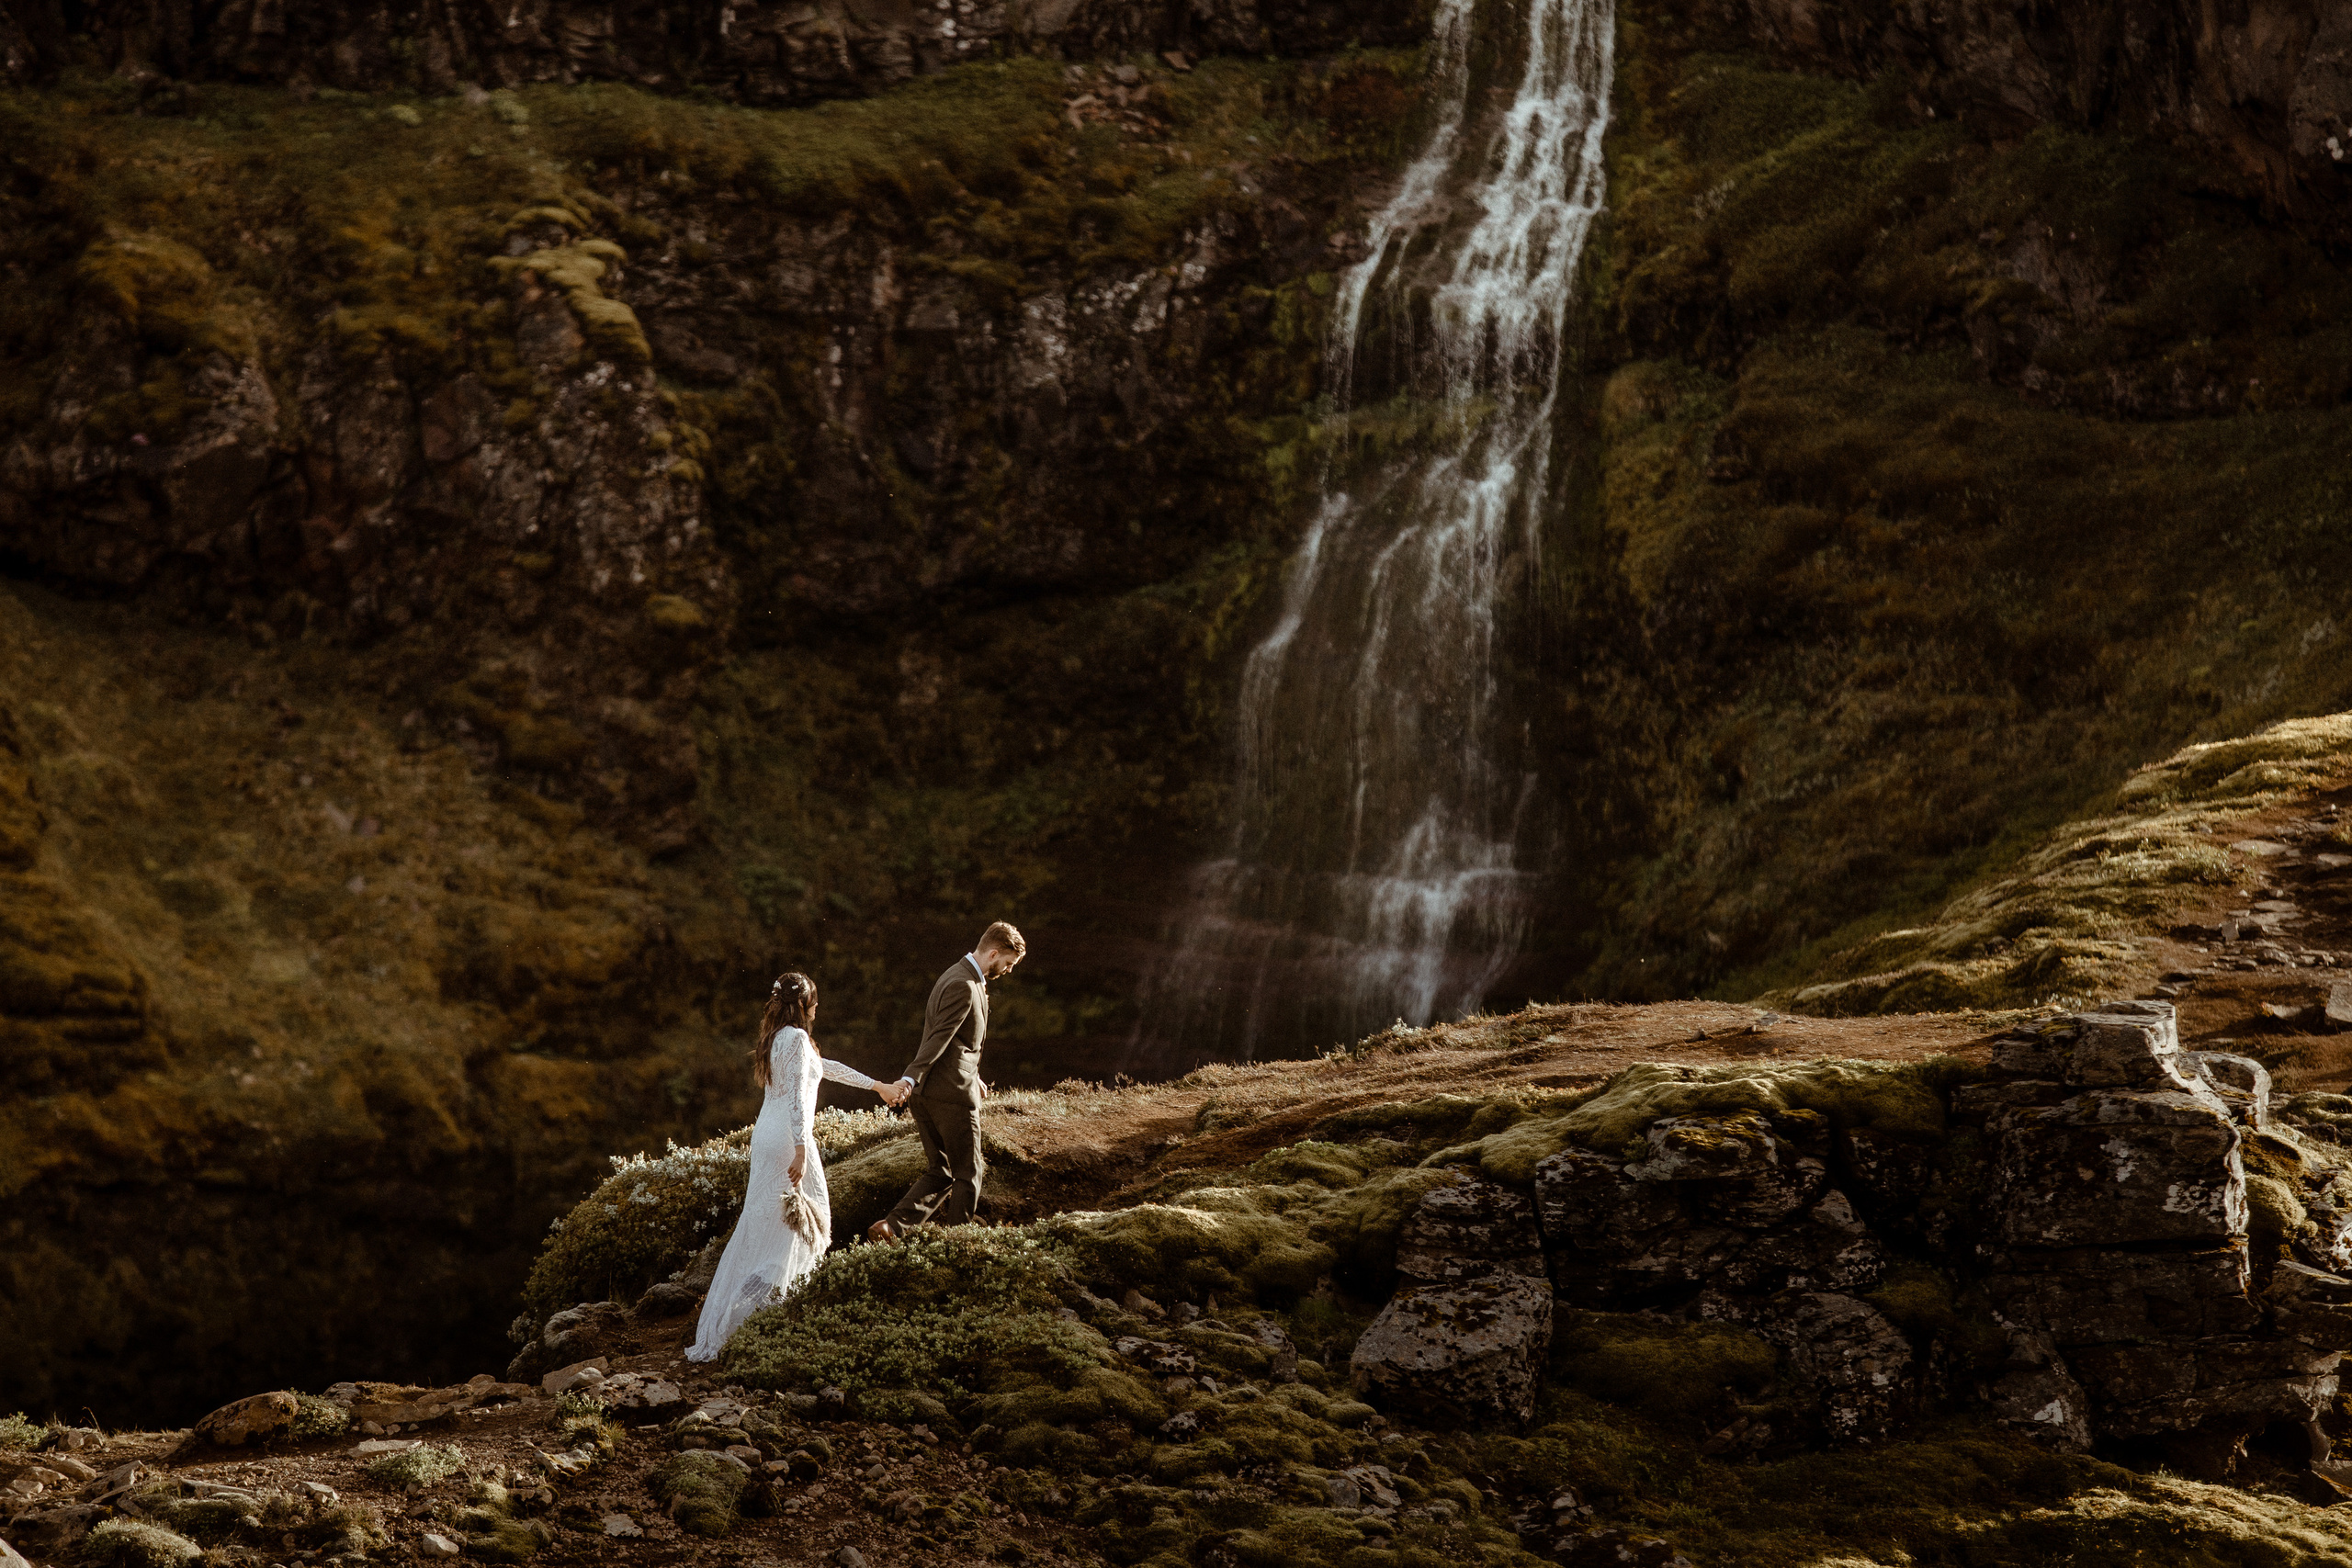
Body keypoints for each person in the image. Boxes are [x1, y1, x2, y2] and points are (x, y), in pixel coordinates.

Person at [687, 971, 906, 1361]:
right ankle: (767, 1314)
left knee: (769, 1226)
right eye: (815, 1005)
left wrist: (878, 1086)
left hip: (767, 1136)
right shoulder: (799, 1039)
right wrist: (803, 1149)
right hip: (788, 1139)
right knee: (806, 1221)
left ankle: (746, 1312)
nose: (817, 1011)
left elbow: (826, 1068)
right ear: (805, 1006)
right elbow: (799, 1104)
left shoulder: (778, 1039)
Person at [868, 921, 1027, 1241]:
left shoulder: (954, 975)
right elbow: (938, 1038)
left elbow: (956, 1039)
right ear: (994, 953)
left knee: (941, 1171)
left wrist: (974, 1074)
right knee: (970, 1172)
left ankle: (891, 1226)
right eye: (1008, 963)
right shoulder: (965, 985)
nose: (1008, 970)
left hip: (930, 1093)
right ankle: (959, 1243)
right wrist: (909, 1078)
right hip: (950, 1095)